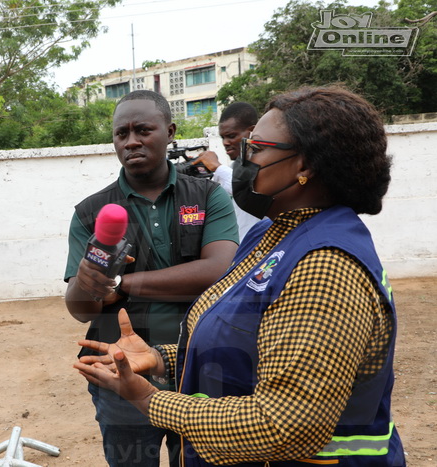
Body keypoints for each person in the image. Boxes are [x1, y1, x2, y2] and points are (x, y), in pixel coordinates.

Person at [74, 86, 405, 467]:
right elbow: (252, 351)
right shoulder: (269, 236)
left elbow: (285, 425)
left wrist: (150, 400)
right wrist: (160, 358)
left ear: (305, 166)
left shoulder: (324, 265)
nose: (241, 157)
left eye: (257, 147)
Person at [64, 90, 239, 466]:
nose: (131, 141)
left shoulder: (208, 197)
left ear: (170, 131)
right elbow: (81, 309)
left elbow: (219, 271)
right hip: (120, 368)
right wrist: (88, 282)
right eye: (121, 134)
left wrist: (122, 283)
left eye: (143, 130)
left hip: (199, 363)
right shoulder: (92, 212)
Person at [192, 102, 260, 240]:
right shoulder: (235, 167)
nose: (225, 143)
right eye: (223, 137)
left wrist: (217, 167)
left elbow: (251, 190)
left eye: (231, 136)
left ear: (252, 132)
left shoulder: (269, 164)